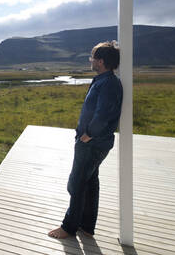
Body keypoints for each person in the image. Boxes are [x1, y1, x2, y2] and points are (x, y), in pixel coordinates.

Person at [48, 41, 123, 239]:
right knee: (89, 183)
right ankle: (87, 226)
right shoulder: (104, 80)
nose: (90, 60)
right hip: (93, 142)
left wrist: (88, 134)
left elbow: (103, 114)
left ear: (101, 61)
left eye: (92, 58)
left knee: (76, 183)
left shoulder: (108, 83)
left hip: (92, 143)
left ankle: (69, 227)